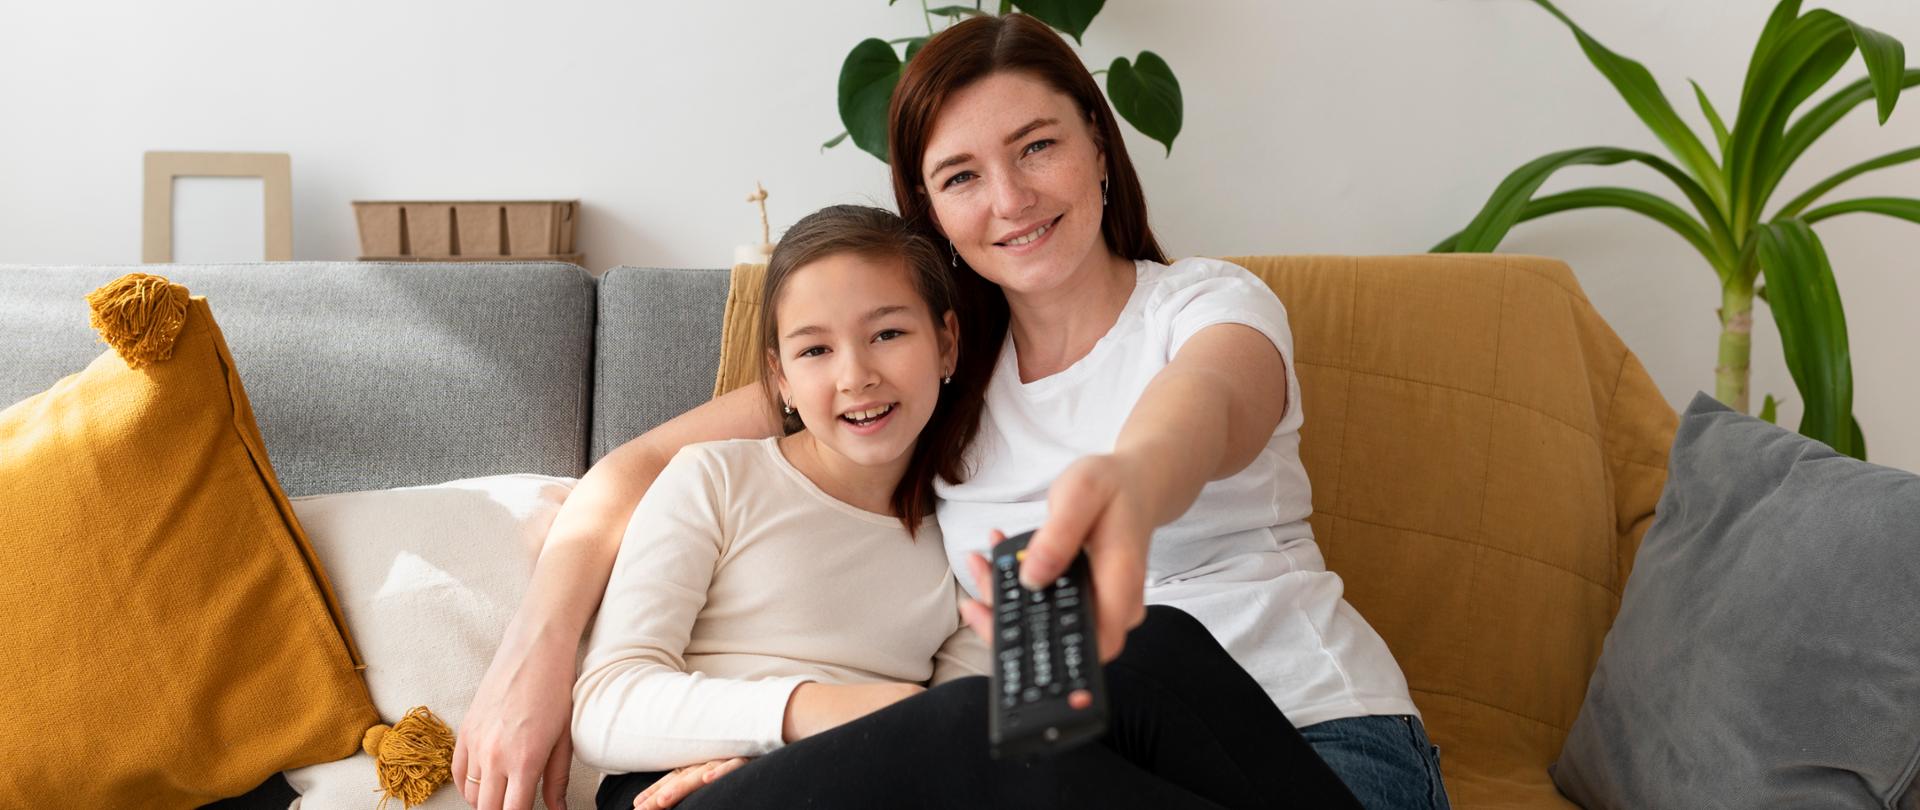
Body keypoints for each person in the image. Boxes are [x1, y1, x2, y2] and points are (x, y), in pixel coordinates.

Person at [456, 13, 1447, 810]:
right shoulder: (923, 371)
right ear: (930, 213)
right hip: (1068, 759)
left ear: (1098, 148)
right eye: (962, 176)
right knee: (1025, 706)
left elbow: (1206, 406)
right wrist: (531, 664)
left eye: (1036, 147)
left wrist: (1132, 483)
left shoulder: (1206, 308)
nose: (1009, 198)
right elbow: (633, 474)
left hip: (1321, 748)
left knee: (1143, 646)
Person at [572, 204, 1358, 809]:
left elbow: (984, 737)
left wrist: (892, 731)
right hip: (690, 785)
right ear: (778, 378)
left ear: (948, 345)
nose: (855, 376)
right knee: (963, 725)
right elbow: (606, 707)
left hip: (886, 777)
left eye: (887, 334)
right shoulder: (715, 479)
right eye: (815, 351)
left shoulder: (953, 527)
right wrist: (834, 716)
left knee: (1150, 648)